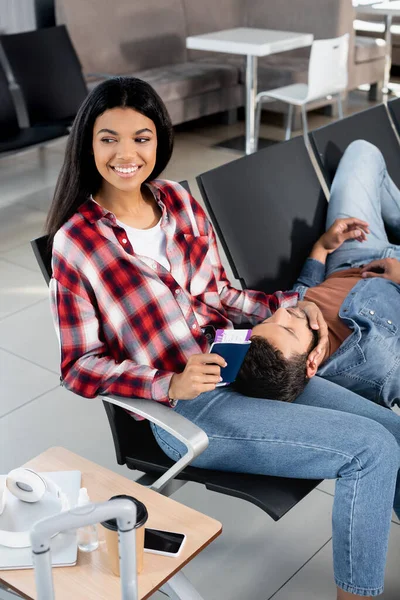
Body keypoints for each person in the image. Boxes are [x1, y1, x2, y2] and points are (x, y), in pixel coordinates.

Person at [46, 77, 400, 600]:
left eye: (141, 138)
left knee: (393, 429)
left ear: (159, 139)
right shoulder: (76, 244)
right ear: (87, 143)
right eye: (109, 138)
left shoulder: (179, 202)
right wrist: (168, 383)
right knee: (369, 450)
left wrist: (299, 309)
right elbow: (78, 365)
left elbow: (222, 294)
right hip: (192, 408)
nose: (126, 154)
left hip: (242, 365)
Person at [236, 140, 400, 411]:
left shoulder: (294, 327)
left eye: (269, 320)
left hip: (350, 255)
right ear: (312, 362)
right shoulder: (383, 367)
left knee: (362, 151)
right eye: (287, 328)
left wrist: (323, 246)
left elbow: (304, 291)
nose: (283, 312)